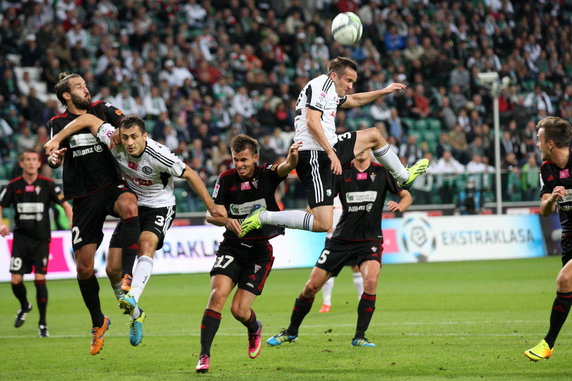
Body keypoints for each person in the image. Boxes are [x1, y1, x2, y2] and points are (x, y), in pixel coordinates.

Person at [45, 113, 225, 346]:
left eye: (134, 137)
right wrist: (56, 139)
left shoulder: (159, 155)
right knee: (112, 269)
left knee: (146, 243)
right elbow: (87, 119)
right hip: (134, 207)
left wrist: (211, 206)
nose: (129, 142)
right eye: (125, 137)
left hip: (160, 207)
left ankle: (132, 295)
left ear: (144, 136)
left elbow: (189, 173)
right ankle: (136, 314)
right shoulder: (114, 139)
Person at [239, 57, 426, 237]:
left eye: (353, 82)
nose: (351, 86)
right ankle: (263, 217)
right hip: (313, 154)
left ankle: (403, 177)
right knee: (323, 223)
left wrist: (383, 91)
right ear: (334, 75)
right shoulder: (322, 84)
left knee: (374, 135)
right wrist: (331, 153)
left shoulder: (331, 92)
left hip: (328, 147)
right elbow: (312, 121)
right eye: (348, 80)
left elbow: (355, 100)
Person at [267, 149, 412, 347]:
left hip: (369, 241)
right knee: (311, 287)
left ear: (371, 149)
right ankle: (291, 331)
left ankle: (359, 337)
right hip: (340, 241)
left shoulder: (382, 172)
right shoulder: (341, 173)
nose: (361, 151)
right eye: (358, 148)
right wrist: (321, 214)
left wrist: (401, 206)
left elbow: (406, 196)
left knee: (370, 280)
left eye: (365, 147)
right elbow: (322, 200)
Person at [45, 73, 140, 355]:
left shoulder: (103, 109)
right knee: (84, 267)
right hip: (83, 199)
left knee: (130, 206)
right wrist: (53, 159)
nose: (85, 89)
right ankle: (99, 322)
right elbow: (52, 156)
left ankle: (128, 276)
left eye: (85, 85)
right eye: (78, 87)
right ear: (66, 95)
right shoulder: (57, 123)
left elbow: (128, 127)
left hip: (111, 186)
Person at [195, 135, 302, 373]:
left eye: (244, 160)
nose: (240, 165)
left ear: (255, 158)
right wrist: (226, 219)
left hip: (259, 252)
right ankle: (204, 356)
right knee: (217, 296)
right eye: (235, 160)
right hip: (232, 248)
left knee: (238, 310)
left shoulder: (267, 174)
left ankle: (254, 327)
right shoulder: (225, 180)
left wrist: (293, 157)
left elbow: (286, 166)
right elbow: (210, 215)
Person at [0, 150, 72, 337]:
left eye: (34, 160)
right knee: (16, 281)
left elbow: (64, 204)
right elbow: (0, 205)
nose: (31, 163)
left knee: (40, 280)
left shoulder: (48, 184)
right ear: (22, 164)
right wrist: (1, 224)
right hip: (20, 240)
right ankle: (25, 305)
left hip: (41, 240)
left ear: (39, 164)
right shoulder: (13, 185)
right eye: (27, 160)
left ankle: (42, 324)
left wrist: (71, 219)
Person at [524, 116, 572, 361]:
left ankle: (548, 343)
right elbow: (544, 210)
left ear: (551, 143)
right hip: (569, 237)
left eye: (539, 139)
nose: (537, 143)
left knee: (564, 281)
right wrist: (552, 199)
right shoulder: (546, 168)